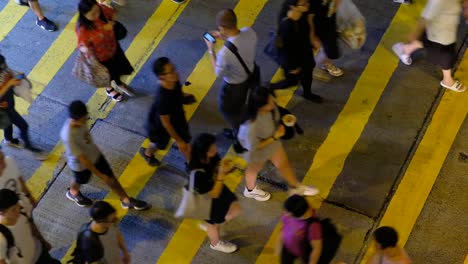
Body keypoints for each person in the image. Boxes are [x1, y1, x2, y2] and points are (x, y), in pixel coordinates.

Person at [60, 100, 150, 210]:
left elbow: (87, 138)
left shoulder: (81, 121)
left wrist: (97, 152)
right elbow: (83, 158)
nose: (86, 119)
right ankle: (73, 193)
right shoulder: (68, 136)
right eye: (84, 118)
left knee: (110, 178)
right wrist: (100, 175)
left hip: (94, 155)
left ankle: (126, 200)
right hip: (80, 165)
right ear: (75, 119)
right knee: (81, 180)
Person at [237, 86, 319, 201]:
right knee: (254, 169)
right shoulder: (250, 126)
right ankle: (250, 190)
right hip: (257, 150)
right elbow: (253, 147)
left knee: (283, 164)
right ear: (261, 106)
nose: (273, 101)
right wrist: (275, 137)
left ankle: (296, 187)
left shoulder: (269, 108)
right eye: (270, 101)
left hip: (272, 141)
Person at [204, 9, 259, 153]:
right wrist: (227, 38)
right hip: (250, 75)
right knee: (241, 106)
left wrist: (211, 50)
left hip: (234, 88)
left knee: (229, 112)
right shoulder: (249, 32)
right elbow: (239, 45)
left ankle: (238, 136)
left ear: (222, 28)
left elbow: (218, 72)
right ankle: (240, 129)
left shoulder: (225, 54)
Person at [392, 0, 466, 92]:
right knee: (447, 56)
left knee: (427, 41)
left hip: (443, 28)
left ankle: (405, 49)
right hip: (440, 34)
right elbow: (426, 16)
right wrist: (416, 32)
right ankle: (447, 80)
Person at [188, 133, 241, 253]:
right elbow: (213, 194)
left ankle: (212, 225)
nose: (215, 149)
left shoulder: (210, 155)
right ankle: (215, 242)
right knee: (215, 223)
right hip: (208, 201)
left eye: (214, 146)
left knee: (235, 209)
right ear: (203, 151)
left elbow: (216, 168)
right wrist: (221, 175)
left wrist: (226, 169)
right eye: (211, 148)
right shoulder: (197, 172)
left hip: (218, 187)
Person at [76, 0, 134, 102]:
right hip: (100, 59)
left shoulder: (102, 9)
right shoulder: (82, 29)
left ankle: (119, 83)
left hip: (114, 49)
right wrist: (87, 50)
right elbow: (81, 46)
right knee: (106, 76)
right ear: (84, 14)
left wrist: (112, 22)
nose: (97, 15)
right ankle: (109, 89)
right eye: (92, 14)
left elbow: (113, 12)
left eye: (97, 10)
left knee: (117, 70)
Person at [139, 57, 192, 166]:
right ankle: (148, 154)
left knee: (185, 144)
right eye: (171, 71)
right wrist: (178, 140)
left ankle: (190, 164)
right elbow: (166, 123)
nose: (175, 72)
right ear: (162, 77)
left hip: (177, 117)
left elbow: (177, 91)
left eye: (174, 68)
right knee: (160, 143)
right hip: (161, 127)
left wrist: (182, 97)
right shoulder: (163, 98)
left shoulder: (173, 80)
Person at [271, 0, 323, 103]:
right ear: (293, 7)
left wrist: (312, 39)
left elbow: (309, 22)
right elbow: (284, 49)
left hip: (305, 52)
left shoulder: (304, 12)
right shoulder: (286, 25)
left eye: (307, 2)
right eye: (303, 4)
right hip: (292, 60)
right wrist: (292, 67)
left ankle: (307, 93)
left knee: (308, 73)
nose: (308, 4)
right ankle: (270, 87)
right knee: (292, 81)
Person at [0, 54, 48, 161]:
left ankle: (9, 140)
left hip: (8, 103)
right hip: (4, 109)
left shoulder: (3, 66)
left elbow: (8, 75)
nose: (4, 67)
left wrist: (15, 79)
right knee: (23, 126)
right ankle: (29, 147)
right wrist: (9, 84)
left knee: (7, 124)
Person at [0, 189, 60, 264]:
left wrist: (42, 240)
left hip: (41, 254)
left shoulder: (22, 209)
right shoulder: (1, 237)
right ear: (2, 213)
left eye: (17, 206)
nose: (18, 210)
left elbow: (31, 225)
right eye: (13, 210)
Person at [276, 195, 322, 264]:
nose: (285, 214)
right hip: (287, 248)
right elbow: (284, 228)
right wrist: (279, 242)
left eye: (288, 213)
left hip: (302, 251)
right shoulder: (292, 211)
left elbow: (317, 248)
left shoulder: (313, 227)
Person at [308, 0, 344, 77]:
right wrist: (312, 36)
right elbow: (309, 18)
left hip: (327, 17)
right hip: (316, 22)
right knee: (317, 46)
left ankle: (326, 63)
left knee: (331, 46)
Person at [0, 151, 35, 217]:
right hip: (10, 213)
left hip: (21, 200)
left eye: (2, 157)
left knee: (30, 215)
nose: (4, 163)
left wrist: (29, 195)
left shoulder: (8, 161)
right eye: (0, 162)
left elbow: (19, 179)